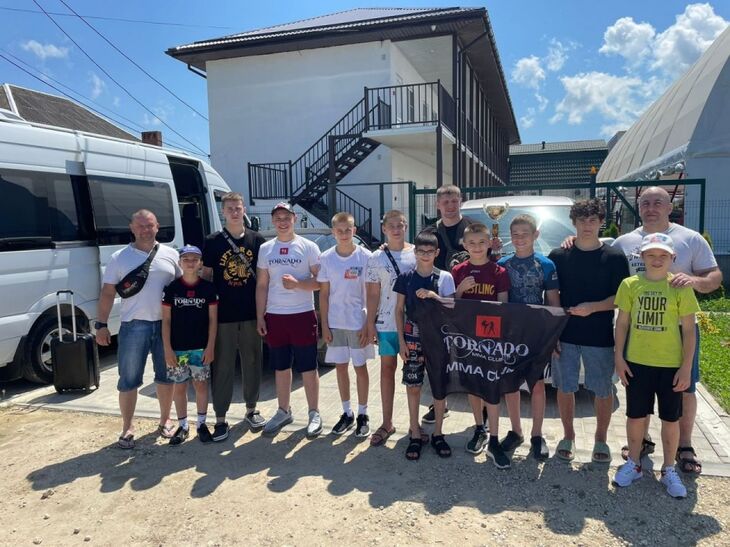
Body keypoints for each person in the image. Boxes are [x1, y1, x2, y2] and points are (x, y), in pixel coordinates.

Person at [612, 187, 722, 474]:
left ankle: (684, 445)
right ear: (639, 207)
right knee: (640, 389)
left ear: (670, 206)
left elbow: (714, 276)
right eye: (645, 203)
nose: (651, 208)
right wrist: (571, 240)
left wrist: (693, 282)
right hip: (640, 330)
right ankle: (642, 441)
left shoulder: (690, 238)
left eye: (658, 202)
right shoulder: (625, 241)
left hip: (679, 331)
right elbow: (599, 255)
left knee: (684, 387)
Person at [613, 233, 699, 498]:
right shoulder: (630, 284)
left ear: (673, 257)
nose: (657, 259)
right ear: (642, 256)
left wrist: (686, 367)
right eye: (651, 254)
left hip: (670, 365)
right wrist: (619, 357)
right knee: (635, 416)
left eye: (663, 255)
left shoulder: (680, 287)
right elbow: (622, 323)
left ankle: (669, 468)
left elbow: (689, 330)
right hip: (637, 363)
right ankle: (634, 463)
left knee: (670, 419)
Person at [548, 199, 630, 463]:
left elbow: (621, 298)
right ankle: (568, 436)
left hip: (599, 336)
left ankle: (601, 440)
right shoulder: (559, 256)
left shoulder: (614, 257)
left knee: (603, 390)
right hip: (565, 335)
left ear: (601, 222)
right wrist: (553, 333)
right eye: (582, 220)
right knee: (565, 387)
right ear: (573, 223)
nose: (587, 225)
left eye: (592, 220)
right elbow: (551, 296)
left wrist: (593, 308)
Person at [96, 209, 182, 449]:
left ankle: (165, 420)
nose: (146, 230)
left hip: (166, 326)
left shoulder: (171, 254)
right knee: (128, 379)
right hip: (134, 326)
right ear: (132, 228)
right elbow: (107, 293)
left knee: (166, 376)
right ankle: (127, 427)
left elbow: (182, 285)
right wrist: (101, 325)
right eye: (141, 226)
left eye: (150, 225)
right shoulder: (119, 258)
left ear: (157, 227)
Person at [202, 192, 267, 441]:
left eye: (238, 208)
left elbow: (263, 278)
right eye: (229, 208)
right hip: (223, 315)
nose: (234, 212)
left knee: (253, 361)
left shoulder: (257, 240)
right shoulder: (213, 241)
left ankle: (252, 409)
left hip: (251, 313)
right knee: (222, 366)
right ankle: (220, 417)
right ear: (223, 212)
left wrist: (263, 313)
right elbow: (207, 276)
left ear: (244, 210)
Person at [498, 214, 561, 461]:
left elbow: (553, 302)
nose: (520, 238)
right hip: (511, 334)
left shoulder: (546, 265)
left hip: (538, 334)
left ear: (536, 235)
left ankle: (537, 434)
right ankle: (516, 431)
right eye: (515, 234)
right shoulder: (502, 264)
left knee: (537, 385)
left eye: (525, 234)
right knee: (511, 385)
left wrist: (554, 335)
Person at [256, 202, 322, 437]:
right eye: (278, 218)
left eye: (286, 217)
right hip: (275, 316)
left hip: (302, 314)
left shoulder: (309, 246)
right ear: (273, 221)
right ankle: (283, 411)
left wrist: (298, 284)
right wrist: (260, 316)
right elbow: (262, 285)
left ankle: (314, 413)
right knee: (281, 366)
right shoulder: (266, 249)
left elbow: (320, 282)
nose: (282, 222)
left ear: (294, 218)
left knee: (308, 366)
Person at [452, 223, 513, 468]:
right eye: (472, 243)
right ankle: (479, 428)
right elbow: (451, 306)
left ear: (489, 243)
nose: (477, 247)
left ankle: (495, 440)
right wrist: (460, 291)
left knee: (491, 388)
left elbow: (504, 307)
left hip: (491, 339)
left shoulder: (499, 272)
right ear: (464, 245)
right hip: (466, 338)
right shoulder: (458, 271)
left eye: (481, 242)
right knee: (472, 385)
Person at [394, 230, 456, 460]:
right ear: (415, 252)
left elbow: (452, 308)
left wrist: (433, 295)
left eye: (430, 251)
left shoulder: (445, 277)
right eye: (421, 251)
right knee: (413, 384)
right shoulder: (405, 278)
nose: (426, 255)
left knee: (439, 386)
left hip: (438, 337)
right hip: (412, 335)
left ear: (437, 252)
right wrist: (401, 341)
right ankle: (415, 433)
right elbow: (398, 310)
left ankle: (438, 433)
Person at [318, 212, 374, 437]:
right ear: (333, 232)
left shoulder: (366, 257)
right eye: (339, 231)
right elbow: (323, 294)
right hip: (335, 323)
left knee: (360, 368)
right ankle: (347, 413)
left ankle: (363, 414)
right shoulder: (326, 258)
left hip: (358, 323)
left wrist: (368, 324)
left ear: (354, 230)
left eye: (348, 230)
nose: (344, 234)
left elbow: (371, 293)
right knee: (340, 367)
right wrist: (324, 325)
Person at [422, 184, 473, 425]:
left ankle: (481, 410)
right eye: (446, 202)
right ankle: (438, 404)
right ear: (438, 205)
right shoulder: (430, 232)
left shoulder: (473, 227)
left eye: (454, 201)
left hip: (468, 302)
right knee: (438, 357)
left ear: (461, 201)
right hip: (438, 303)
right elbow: (417, 256)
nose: (451, 206)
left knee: (471, 356)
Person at [365, 210, 417, 446]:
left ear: (406, 226)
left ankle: (414, 425)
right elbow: (372, 293)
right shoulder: (376, 257)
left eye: (400, 225)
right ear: (384, 229)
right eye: (392, 226)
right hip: (386, 323)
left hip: (413, 325)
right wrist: (370, 323)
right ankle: (387, 422)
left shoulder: (417, 253)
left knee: (414, 374)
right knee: (387, 370)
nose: (396, 229)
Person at [162, 245, 218, 445]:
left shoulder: (208, 288)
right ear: (180, 263)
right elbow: (166, 321)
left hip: (200, 348)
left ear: (201, 263)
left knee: (201, 385)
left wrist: (210, 346)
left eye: (195, 259)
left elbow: (213, 320)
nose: (191, 263)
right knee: (180, 386)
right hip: (178, 348)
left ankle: (201, 424)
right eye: (186, 259)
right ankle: (183, 425)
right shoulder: (172, 289)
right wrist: (167, 349)